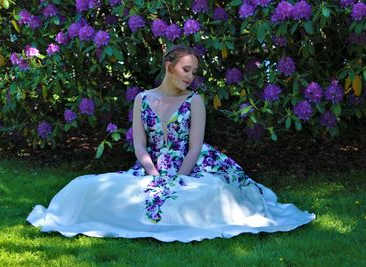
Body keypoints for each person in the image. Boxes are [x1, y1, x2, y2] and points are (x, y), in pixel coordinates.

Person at [27, 45, 315, 242]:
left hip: (195, 163)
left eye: (194, 72)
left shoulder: (195, 101)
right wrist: (153, 174)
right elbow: (140, 145)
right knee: (97, 188)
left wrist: (178, 179)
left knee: (207, 193)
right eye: (186, 70)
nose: (191, 77)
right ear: (169, 67)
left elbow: (195, 146)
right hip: (153, 165)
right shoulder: (142, 99)